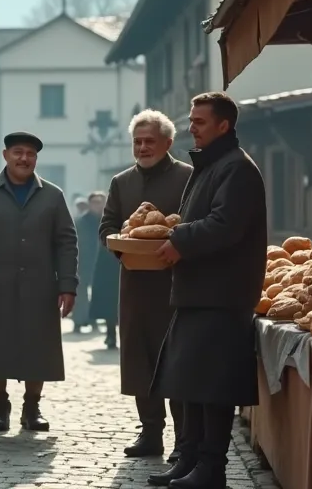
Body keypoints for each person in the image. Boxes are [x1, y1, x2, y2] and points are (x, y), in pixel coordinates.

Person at [148, 93, 266, 489]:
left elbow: (225, 224)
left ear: (223, 125)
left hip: (222, 294)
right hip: (198, 291)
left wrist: (180, 238)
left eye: (199, 121)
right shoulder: (212, 165)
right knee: (191, 383)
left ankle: (211, 469)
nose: (191, 126)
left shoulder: (237, 169)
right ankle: (190, 460)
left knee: (213, 387)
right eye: (192, 120)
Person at [0, 131, 78, 432]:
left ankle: (32, 407)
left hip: (40, 286)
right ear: (6, 155)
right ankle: (0, 406)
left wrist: (68, 285)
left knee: (39, 347)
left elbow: (66, 242)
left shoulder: (52, 195)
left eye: (31, 154)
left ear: (36, 159)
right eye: (18, 152)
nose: (24, 158)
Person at [99, 109, 193, 463]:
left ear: (168, 143)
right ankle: (150, 432)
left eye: (149, 141)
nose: (142, 147)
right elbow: (107, 226)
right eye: (137, 142)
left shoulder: (188, 177)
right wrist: (120, 248)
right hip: (135, 284)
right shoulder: (121, 182)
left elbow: (197, 221)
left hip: (177, 285)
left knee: (177, 360)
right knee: (141, 361)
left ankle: (185, 439)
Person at [83, 190, 121, 349]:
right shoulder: (91, 220)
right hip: (106, 265)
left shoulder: (118, 216)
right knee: (109, 304)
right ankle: (110, 336)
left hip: (122, 264)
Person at [71, 198, 94, 335]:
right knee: (80, 294)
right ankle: (79, 321)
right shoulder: (79, 222)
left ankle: (92, 318)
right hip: (82, 262)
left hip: (97, 262)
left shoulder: (103, 221)